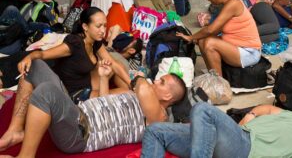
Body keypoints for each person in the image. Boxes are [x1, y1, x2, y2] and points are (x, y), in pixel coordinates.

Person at [0, 58, 186, 157]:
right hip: (76, 113)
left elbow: (143, 87)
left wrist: (137, 77)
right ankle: (15, 131)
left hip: (81, 134)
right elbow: (103, 102)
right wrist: (104, 77)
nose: (155, 81)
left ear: (168, 96)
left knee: (46, 91)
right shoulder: (135, 94)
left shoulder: (159, 117)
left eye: (161, 82)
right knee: (35, 66)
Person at [141, 80, 292, 158]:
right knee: (155, 130)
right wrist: (249, 116)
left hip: (246, 150)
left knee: (203, 110)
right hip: (235, 137)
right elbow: (267, 109)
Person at [17, 6, 131, 103]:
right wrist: (29, 57)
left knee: (118, 69)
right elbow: (43, 54)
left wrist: (133, 84)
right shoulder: (75, 43)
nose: (103, 30)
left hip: (87, 83)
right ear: (85, 27)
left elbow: (114, 64)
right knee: (127, 94)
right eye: (98, 26)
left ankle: (132, 88)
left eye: (105, 26)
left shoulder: (96, 41)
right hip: (73, 94)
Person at [177, 0, 261, 76]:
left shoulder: (233, 4)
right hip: (237, 46)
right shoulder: (226, 4)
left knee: (209, 43)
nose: (208, 0)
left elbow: (210, 29)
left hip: (249, 52)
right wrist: (196, 39)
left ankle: (219, 84)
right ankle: (213, 76)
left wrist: (191, 37)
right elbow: (214, 30)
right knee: (203, 40)